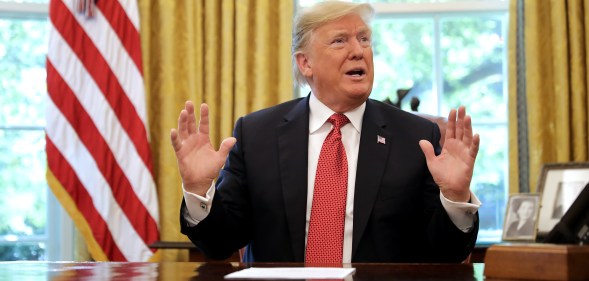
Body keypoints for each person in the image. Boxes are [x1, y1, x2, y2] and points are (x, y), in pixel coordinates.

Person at [172, 1, 481, 263]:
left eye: (364, 39)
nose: (358, 51)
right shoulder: (257, 135)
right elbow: (221, 244)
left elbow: (446, 255)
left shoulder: (416, 137)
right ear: (305, 63)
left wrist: (454, 199)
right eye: (339, 41)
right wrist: (199, 191)